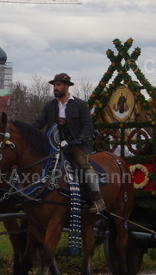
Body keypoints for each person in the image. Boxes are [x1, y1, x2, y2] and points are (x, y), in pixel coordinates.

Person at [32, 72, 106, 213]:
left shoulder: (80, 105)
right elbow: (38, 123)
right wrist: (22, 129)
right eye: (54, 85)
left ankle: (98, 199)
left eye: (58, 85)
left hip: (75, 146)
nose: (55, 88)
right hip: (54, 146)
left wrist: (79, 140)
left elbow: (88, 127)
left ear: (66, 86)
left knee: (85, 166)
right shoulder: (50, 106)